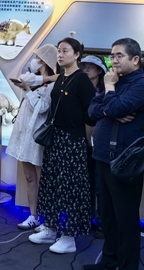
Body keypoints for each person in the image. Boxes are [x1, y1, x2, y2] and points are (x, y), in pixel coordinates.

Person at [85, 38, 144, 270]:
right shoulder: (115, 81)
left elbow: (113, 107)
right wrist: (110, 110)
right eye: (111, 56)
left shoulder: (141, 85)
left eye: (119, 56)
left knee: (125, 219)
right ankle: (109, 261)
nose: (113, 60)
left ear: (135, 59)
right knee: (108, 215)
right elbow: (92, 110)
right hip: (103, 155)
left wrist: (110, 96)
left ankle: (127, 266)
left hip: (124, 160)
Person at [30, 38, 96, 254]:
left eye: (65, 51)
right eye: (59, 51)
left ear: (77, 54)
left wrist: (86, 143)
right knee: (51, 184)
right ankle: (50, 228)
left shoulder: (82, 80)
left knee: (70, 189)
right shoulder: (61, 78)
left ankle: (69, 237)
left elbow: (90, 116)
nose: (60, 54)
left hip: (73, 141)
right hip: (55, 139)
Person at [7, 44, 58, 230]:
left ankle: (48, 220)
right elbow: (26, 80)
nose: (34, 61)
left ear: (45, 61)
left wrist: (28, 90)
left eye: (37, 58)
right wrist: (28, 87)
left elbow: (43, 108)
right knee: (29, 177)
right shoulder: (35, 79)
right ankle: (33, 215)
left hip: (38, 136)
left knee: (43, 179)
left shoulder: (53, 85)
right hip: (23, 134)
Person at [80, 55, 107, 236]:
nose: (86, 69)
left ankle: (103, 223)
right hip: (82, 142)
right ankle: (87, 219)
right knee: (86, 183)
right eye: (85, 66)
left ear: (99, 70)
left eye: (91, 67)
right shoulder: (80, 89)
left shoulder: (105, 92)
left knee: (100, 185)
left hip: (100, 142)